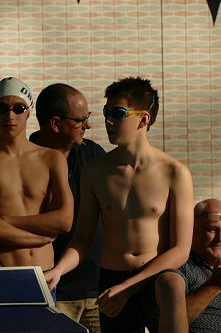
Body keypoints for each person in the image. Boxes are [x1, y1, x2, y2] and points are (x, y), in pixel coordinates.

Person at [44, 76, 194, 333]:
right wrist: (58, 270)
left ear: (143, 119)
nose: (108, 120)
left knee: (171, 287)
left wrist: (130, 287)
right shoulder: (94, 171)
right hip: (111, 282)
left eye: (118, 113)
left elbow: (181, 250)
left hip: (154, 279)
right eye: (106, 112)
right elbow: (82, 240)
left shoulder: (174, 172)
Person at [0, 77, 74, 273]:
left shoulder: (51, 158)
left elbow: (65, 220)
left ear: (28, 111)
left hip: (45, 275)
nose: (10, 115)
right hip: (2, 273)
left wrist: (6, 221)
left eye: (18, 108)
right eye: (2, 108)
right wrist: (39, 239)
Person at [30, 83, 105, 332]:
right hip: (52, 288)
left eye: (88, 118)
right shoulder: (25, 161)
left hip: (98, 290)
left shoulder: (92, 154)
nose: (88, 126)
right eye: (80, 120)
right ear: (54, 124)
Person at [155, 198, 221, 333]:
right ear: (191, 230)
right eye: (211, 229)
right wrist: (213, 285)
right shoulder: (180, 267)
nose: (220, 238)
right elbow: (168, 320)